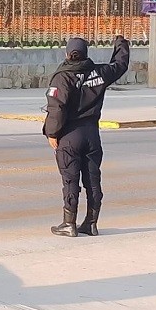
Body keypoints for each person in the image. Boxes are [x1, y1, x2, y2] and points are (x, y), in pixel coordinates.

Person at [43, 35, 130, 237]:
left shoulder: (62, 77)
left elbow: (56, 109)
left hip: (69, 135)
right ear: (86, 53)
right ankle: (91, 223)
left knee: (70, 180)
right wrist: (121, 43)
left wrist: (52, 133)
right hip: (92, 135)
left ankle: (69, 223)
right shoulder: (99, 72)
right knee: (92, 179)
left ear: (67, 53)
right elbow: (120, 65)